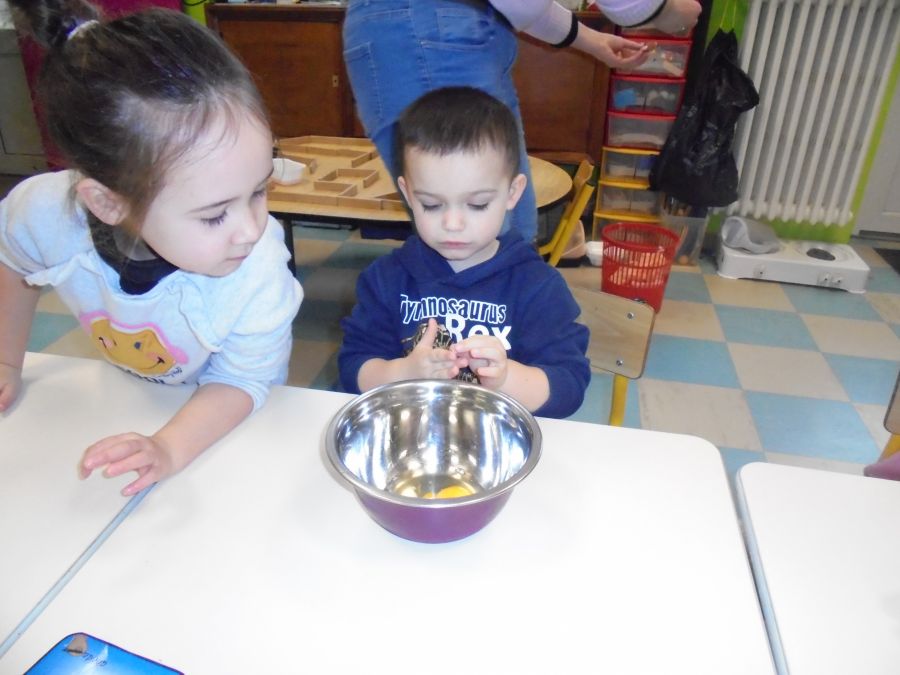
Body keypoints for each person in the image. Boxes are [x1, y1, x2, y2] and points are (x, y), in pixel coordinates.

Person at [0, 0, 303, 496]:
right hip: (127, 399)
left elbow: (243, 381)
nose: (252, 229)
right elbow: (12, 260)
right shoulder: (44, 214)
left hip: (229, 426)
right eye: (214, 215)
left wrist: (169, 446)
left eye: (259, 190)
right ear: (107, 202)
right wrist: (7, 361)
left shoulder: (259, 267)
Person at [342, 0, 702, 243]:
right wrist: (662, 9)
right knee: (483, 240)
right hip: (427, 32)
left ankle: (500, 331)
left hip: (436, 30)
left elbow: (520, 4)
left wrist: (591, 40)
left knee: (509, 234)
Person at [338, 87, 590, 418]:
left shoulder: (538, 287)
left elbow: (569, 385)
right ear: (408, 194)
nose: (453, 224)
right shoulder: (386, 280)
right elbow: (353, 366)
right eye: (431, 204)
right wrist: (401, 373)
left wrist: (506, 379)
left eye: (477, 204)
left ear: (512, 193)